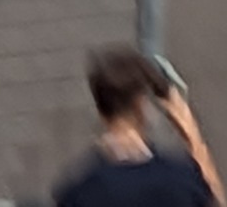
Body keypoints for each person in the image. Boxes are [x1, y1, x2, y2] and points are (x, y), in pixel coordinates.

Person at [53, 50, 217, 207]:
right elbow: (211, 197)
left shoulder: (77, 192)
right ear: (141, 105)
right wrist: (190, 131)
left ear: (100, 109)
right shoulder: (180, 179)